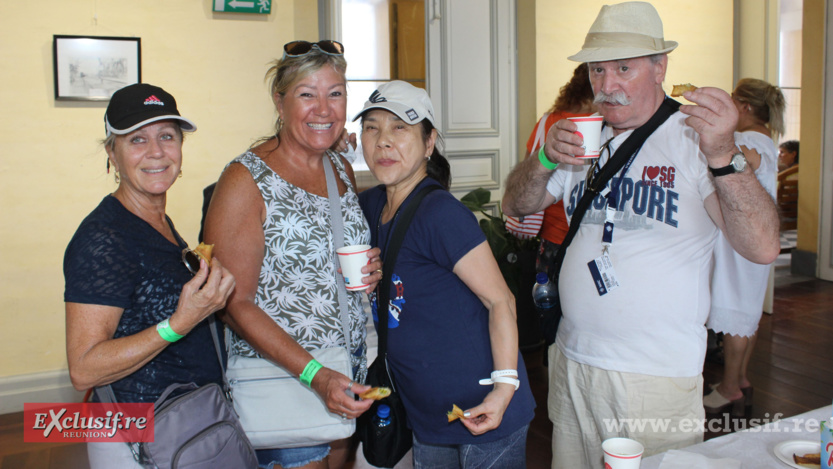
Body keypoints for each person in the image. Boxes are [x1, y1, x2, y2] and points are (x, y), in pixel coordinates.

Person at [501, 2, 780, 467]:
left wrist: (723, 154)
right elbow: (516, 204)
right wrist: (545, 158)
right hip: (572, 359)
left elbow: (763, 246)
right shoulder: (585, 138)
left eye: (623, 68)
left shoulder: (693, 138)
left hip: (653, 375)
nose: (607, 85)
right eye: (597, 69)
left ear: (660, 68)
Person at [202, 40, 382, 469]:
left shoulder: (338, 168)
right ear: (279, 102)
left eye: (335, 93)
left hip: (345, 374)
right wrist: (314, 375)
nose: (324, 109)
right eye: (307, 94)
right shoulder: (245, 180)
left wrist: (369, 271)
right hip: (286, 382)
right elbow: (233, 304)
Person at [355, 80, 536, 469]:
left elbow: (500, 300)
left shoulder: (440, 214)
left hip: (483, 405)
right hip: (426, 413)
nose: (383, 141)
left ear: (429, 142)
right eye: (371, 128)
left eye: (399, 127)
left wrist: (504, 389)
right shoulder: (370, 206)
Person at [63, 83, 236, 468]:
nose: (156, 151)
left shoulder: (158, 221)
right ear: (112, 153)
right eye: (137, 139)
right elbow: (84, 368)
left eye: (167, 136)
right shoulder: (103, 239)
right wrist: (180, 323)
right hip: (137, 443)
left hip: (183, 427)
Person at [704, 78, 785, 414]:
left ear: (746, 107)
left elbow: (744, 162)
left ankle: (730, 386)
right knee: (748, 313)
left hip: (742, 242)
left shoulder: (748, 141)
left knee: (735, 310)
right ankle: (740, 379)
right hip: (757, 237)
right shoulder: (767, 139)